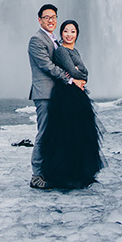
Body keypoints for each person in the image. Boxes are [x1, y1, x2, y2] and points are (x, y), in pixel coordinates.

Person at [39, 19, 103, 189]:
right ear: (61, 34)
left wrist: (80, 74)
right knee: (66, 134)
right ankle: (65, 174)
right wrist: (77, 73)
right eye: (66, 31)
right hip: (66, 96)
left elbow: (84, 73)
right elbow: (75, 71)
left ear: (77, 34)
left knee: (79, 134)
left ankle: (78, 173)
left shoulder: (74, 51)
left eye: (72, 31)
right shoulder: (61, 51)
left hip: (76, 94)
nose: (69, 34)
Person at [28, 4, 86, 189]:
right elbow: (47, 66)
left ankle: (51, 171)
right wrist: (71, 80)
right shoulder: (36, 40)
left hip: (57, 95)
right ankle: (36, 176)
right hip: (44, 93)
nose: (51, 20)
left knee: (55, 135)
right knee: (44, 134)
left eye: (54, 17)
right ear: (39, 20)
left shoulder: (56, 41)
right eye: (46, 17)